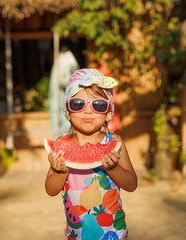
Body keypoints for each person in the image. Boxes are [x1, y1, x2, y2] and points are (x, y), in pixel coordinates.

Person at [45, 68, 137, 240]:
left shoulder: (114, 142)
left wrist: (113, 169)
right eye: (78, 104)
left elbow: (132, 184)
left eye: (98, 105)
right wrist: (60, 171)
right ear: (68, 110)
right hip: (76, 234)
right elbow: (50, 190)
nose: (88, 111)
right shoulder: (62, 145)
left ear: (109, 113)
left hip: (114, 233)